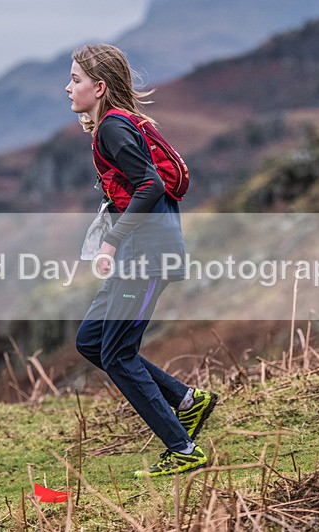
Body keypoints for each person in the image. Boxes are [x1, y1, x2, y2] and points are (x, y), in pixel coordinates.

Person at [66, 43, 218, 477]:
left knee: (117, 354)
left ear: (99, 87)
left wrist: (111, 241)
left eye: (75, 80)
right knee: (92, 342)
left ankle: (182, 449)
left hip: (148, 257)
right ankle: (188, 401)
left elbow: (150, 186)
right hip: (139, 254)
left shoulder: (113, 128)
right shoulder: (113, 126)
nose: (68, 87)